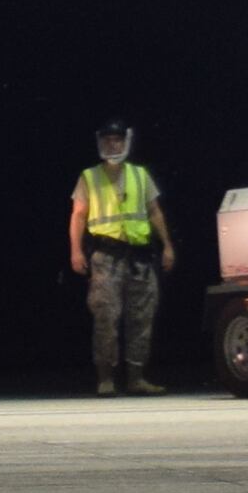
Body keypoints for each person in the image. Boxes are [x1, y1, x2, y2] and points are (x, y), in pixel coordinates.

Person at [68, 121, 174, 394]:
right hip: (106, 257)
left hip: (139, 258)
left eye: (117, 140)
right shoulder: (89, 177)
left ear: (126, 142)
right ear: (100, 143)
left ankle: (136, 377)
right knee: (106, 316)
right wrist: (76, 250)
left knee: (142, 317)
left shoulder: (140, 175)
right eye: (107, 140)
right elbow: (78, 215)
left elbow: (154, 212)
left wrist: (167, 246)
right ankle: (106, 378)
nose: (112, 145)